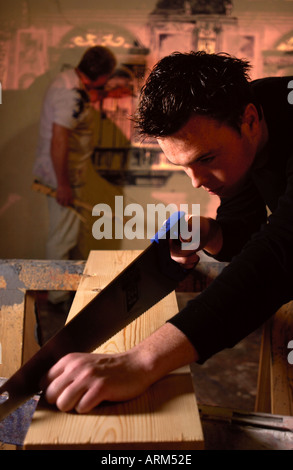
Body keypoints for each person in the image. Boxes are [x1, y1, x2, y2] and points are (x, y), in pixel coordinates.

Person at [41, 51, 293, 414]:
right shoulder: (244, 114)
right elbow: (245, 228)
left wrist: (142, 360)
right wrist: (205, 231)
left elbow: (280, 256)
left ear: (250, 121)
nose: (197, 182)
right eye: (183, 166)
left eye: (206, 160)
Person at [33, 46, 116, 305]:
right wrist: (63, 185)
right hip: (63, 176)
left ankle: (62, 292)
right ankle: (58, 298)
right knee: (62, 237)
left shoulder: (68, 80)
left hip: (62, 174)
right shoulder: (71, 95)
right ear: (100, 76)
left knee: (67, 235)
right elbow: (59, 140)